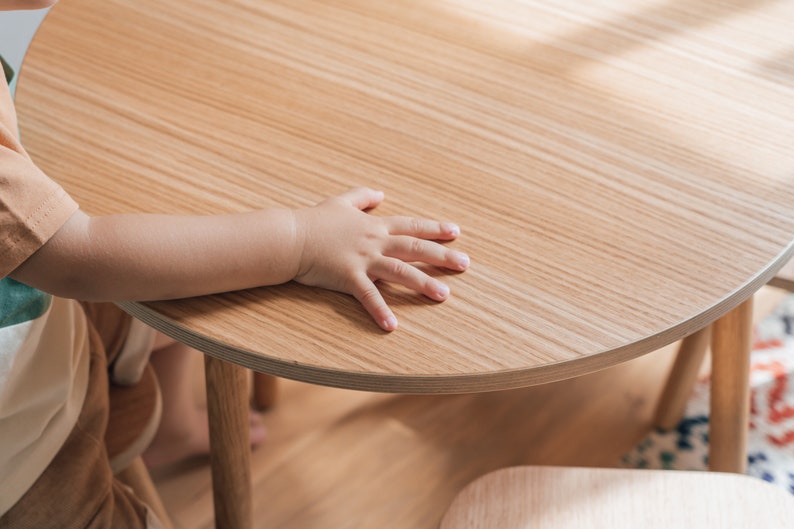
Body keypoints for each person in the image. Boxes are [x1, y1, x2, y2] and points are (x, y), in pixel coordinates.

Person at [0, 0, 470, 527]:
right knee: (185, 256)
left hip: (39, 324)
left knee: (195, 264)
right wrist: (302, 240)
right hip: (22, 454)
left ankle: (172, 426)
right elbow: (79, 257)